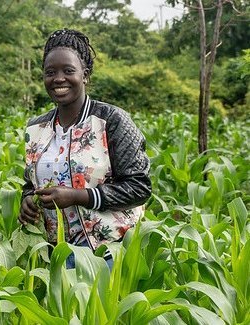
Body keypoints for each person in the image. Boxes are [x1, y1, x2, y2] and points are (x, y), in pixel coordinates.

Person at [18, 28, 151, 266]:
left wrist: (78, 196)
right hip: (57, 253)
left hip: (109, 253)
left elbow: (139, 187)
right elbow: (31, 183)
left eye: (68, 71)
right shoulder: (36, 128)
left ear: (85, 75)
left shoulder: (112, 120)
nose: (58, 78)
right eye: (50, 72)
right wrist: (27, 200)